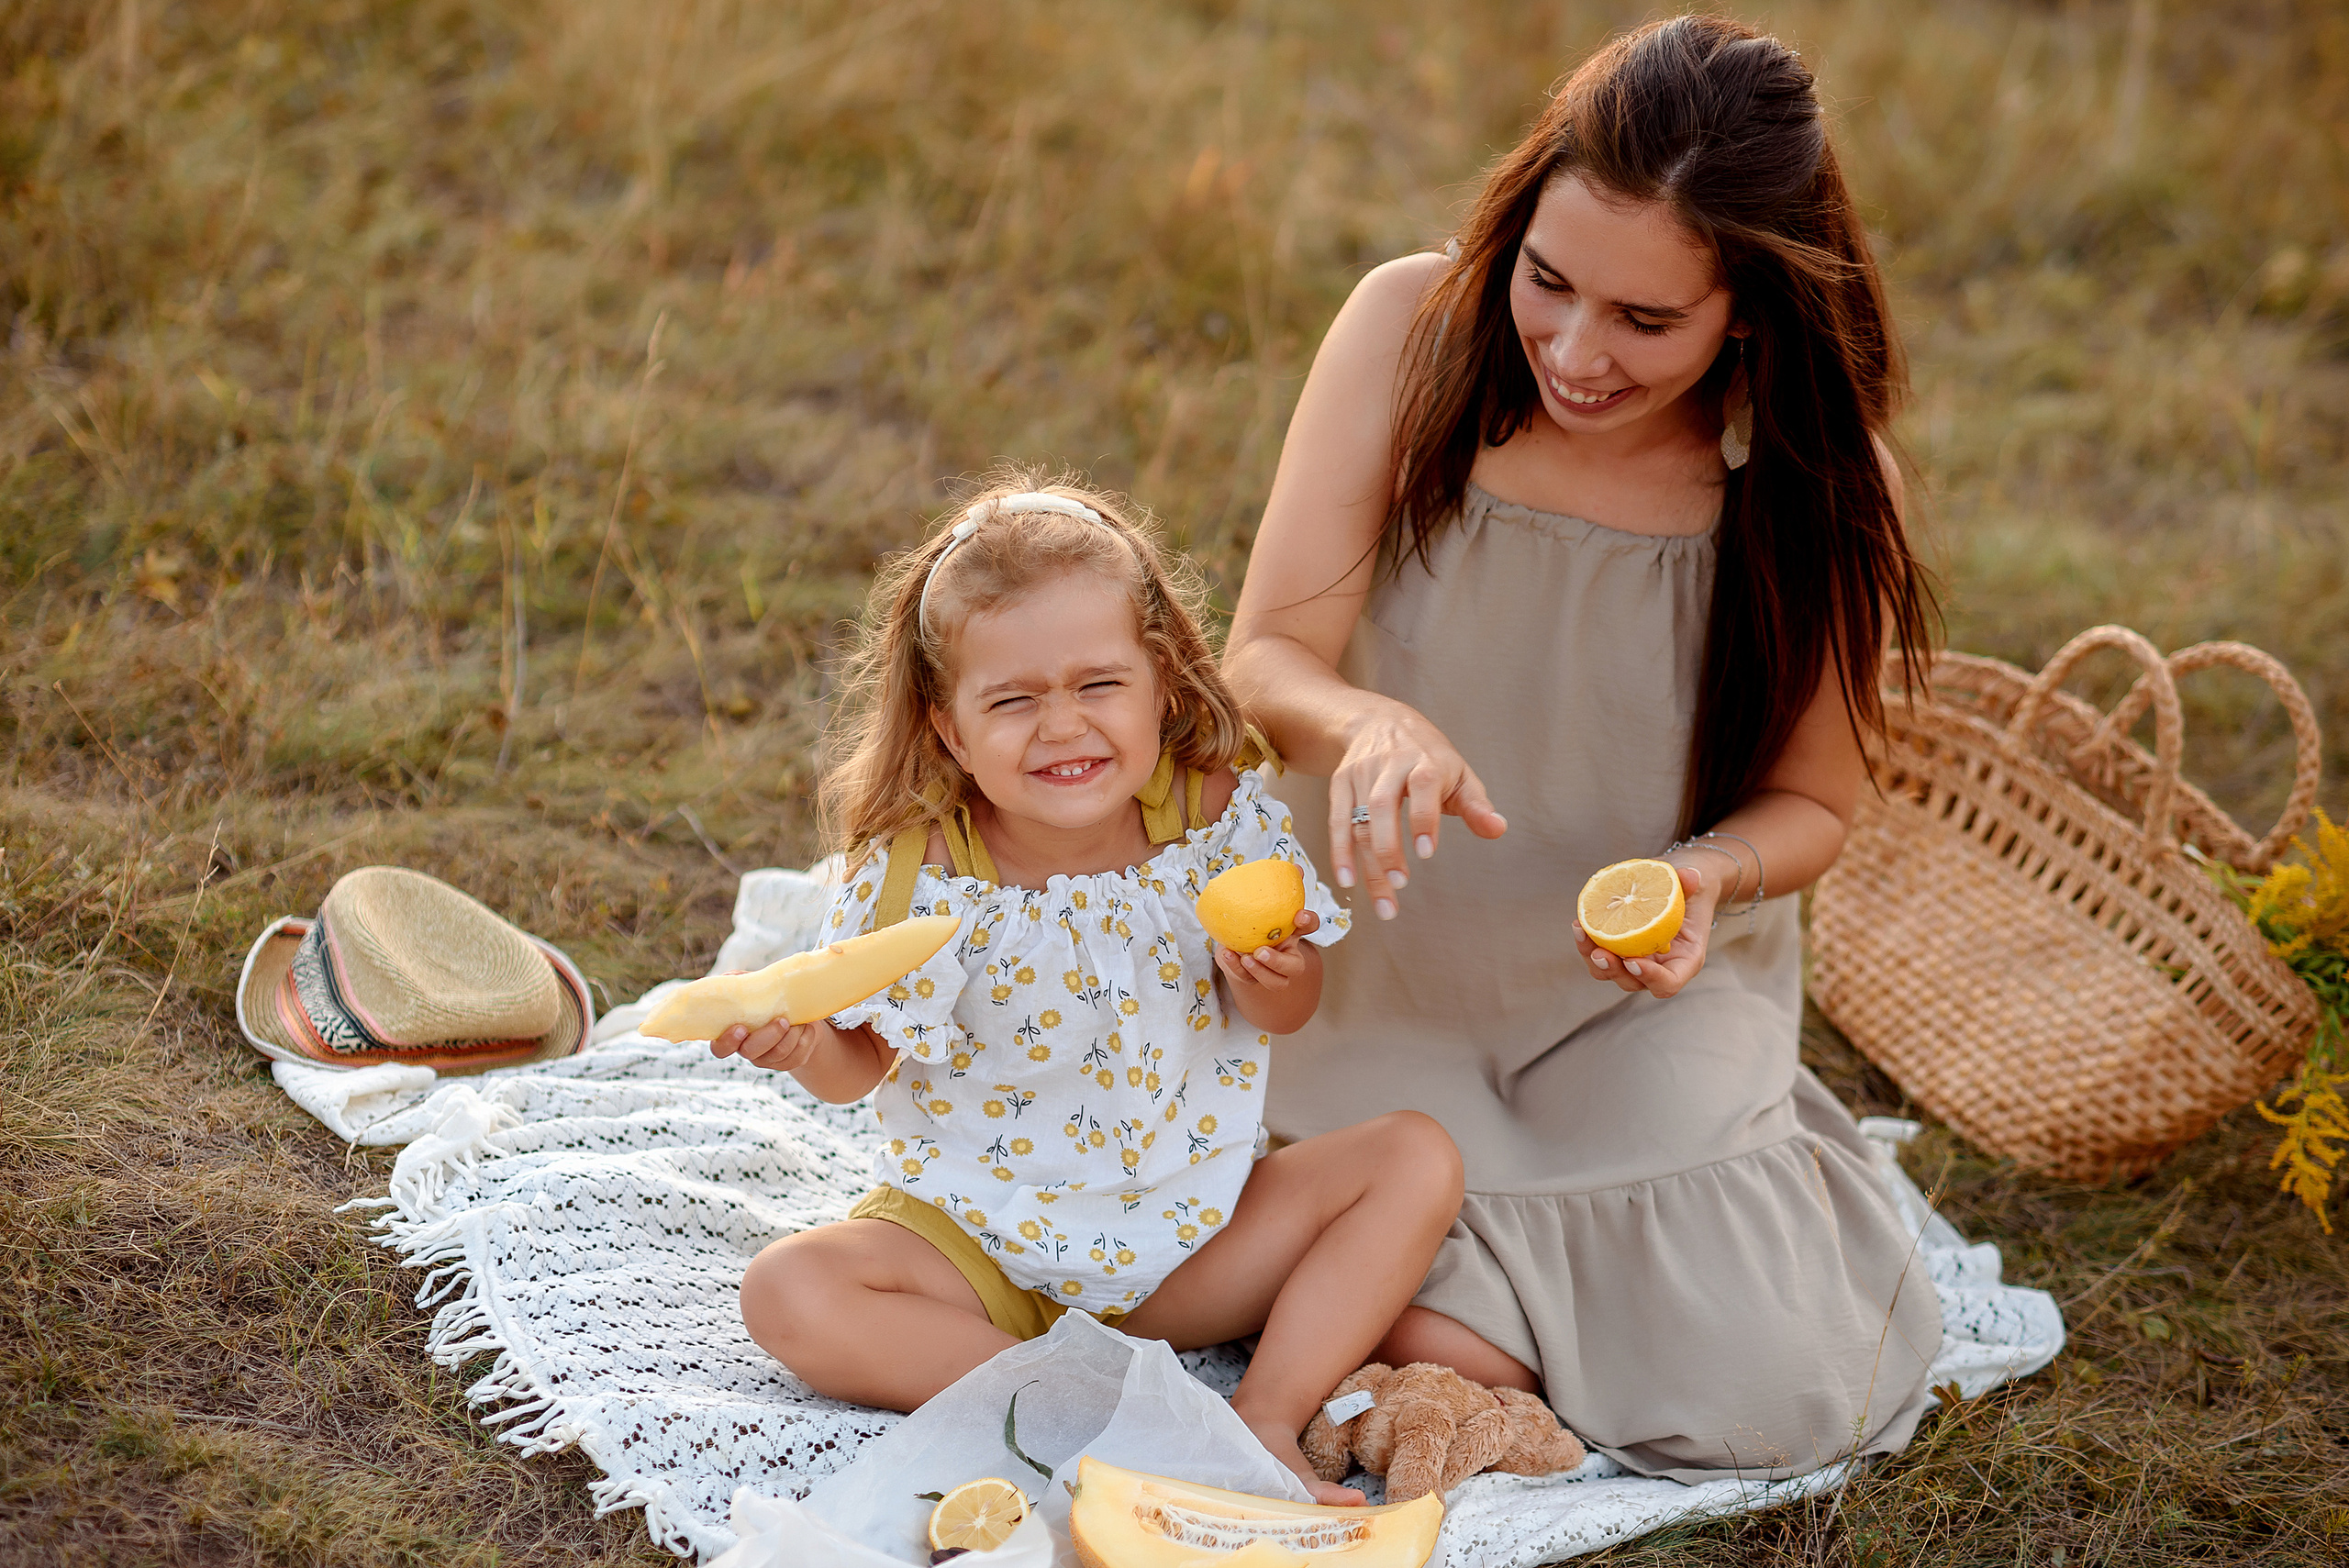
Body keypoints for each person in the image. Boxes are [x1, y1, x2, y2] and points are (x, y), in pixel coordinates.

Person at [1223, 16, 1945, 1482]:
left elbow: (1810, 803)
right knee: (1189, 1203)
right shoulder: (1410, 329)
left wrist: (1703, 876)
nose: (1571, 348)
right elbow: (1265, 661)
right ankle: (1448, 1325)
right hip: (1365, 978)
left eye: (1644, 321)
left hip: (1632, 1010)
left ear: (1747, 310)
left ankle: (1420, 1322)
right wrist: (1370, 725)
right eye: (1548, 282)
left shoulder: (1819, 488)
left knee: (1794, 1390)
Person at [716, 472, 1464, 1501]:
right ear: (948, 728)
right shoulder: (917, 871)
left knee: (1414, 1157)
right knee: (789, 1290)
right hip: (978, 1250)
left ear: (1159, 682)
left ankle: (1261, 1416)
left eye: (1097, 685)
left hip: (1189, 1237)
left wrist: (1277, 972)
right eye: (1013, 700)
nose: (1062, 727)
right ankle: (1110, 1425)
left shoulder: (1211, 820)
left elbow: (1284, 1010)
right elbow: (862, 1064)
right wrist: (805, 1044)